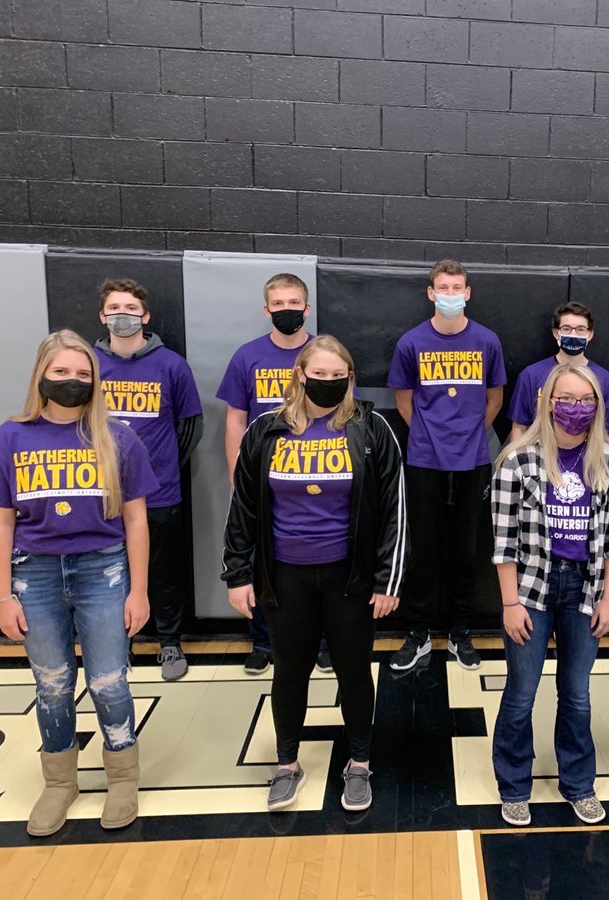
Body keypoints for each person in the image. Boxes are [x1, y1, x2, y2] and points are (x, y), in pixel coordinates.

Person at [0, 330, 159, 836]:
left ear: (94, 380)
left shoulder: (116, 436)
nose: (72, 381)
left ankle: (122, 776)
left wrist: (138, 590)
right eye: (62, 372)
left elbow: (137, 521)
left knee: (108, 679)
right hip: (33, 573)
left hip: (104, 569)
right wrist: (1, 593)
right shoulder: (11, 436)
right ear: (41, 376)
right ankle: (59, 782)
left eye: (82, 374)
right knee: (52, 683)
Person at [222, 336, 407, 812]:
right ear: (300, 374)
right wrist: (238, 574)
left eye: (337, 374)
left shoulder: (372, 428)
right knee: (289, 671)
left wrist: (388, 580)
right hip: (285, 578)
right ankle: (287, 763)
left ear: (349, 376)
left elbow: (394, 511)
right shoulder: (265, 430)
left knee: (354, 672)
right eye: (318, 374)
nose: (328, 382)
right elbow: (242, 506)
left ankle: (360, 763)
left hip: (351, 579)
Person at [491, 363, 609, 828]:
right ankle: (513, 786)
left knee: (577, 694)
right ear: (547, 402)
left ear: (598, 407)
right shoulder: (516, 459)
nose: (576, 409)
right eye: (566, 399)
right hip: (531, 587)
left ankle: (578, 785)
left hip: (585, 589)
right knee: (521, 692)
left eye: (585, 401)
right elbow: (503, 542)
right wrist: (510, 603)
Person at [387, 259, 506, 672]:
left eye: (458, 287)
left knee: (465, 549)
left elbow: (495, 398)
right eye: (443, 287)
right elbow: (404, 400)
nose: (451, 293)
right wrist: (428, 434)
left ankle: (459, 631)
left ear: (468, 293)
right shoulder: (411, 343)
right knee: (422, 549)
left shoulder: (487, 340)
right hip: (423, 459)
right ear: (431, 293)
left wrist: (470, 434)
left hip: (472, 460)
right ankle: (418, 632)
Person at [95, 277, 203, 681]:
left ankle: (169, 641)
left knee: (163, 572)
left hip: (159, 490)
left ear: (146, 316)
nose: (123, 316)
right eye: (115, 309)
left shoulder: (171, 365)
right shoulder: (88, 364)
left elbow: (190, 426)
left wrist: (160, 465)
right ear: (102, 315)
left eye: (131, 309)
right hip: (101, 493)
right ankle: (118, 644)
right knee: (108, 572)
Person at [217, 272, 320, 676]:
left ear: (306, 308)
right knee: (261, 560)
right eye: (278, 304)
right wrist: (235, 476)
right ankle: (262, 640)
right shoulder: (247, 356)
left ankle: (323, 641)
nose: (286, 310)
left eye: (293, 303)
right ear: (267, 310)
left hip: (316, 470)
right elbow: (234, 422)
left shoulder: (323, 353)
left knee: (319, 558)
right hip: (262, 477)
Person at [508, 301, 609, 443]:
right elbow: (519, 428)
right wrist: (519, 462)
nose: (573, 334)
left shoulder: (606, 380)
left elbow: (608, 434)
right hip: (538, 458)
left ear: (590, 334)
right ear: (556, 333)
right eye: (566, 328)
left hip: (585, 459)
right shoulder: (531, 375)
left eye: (580, 329)